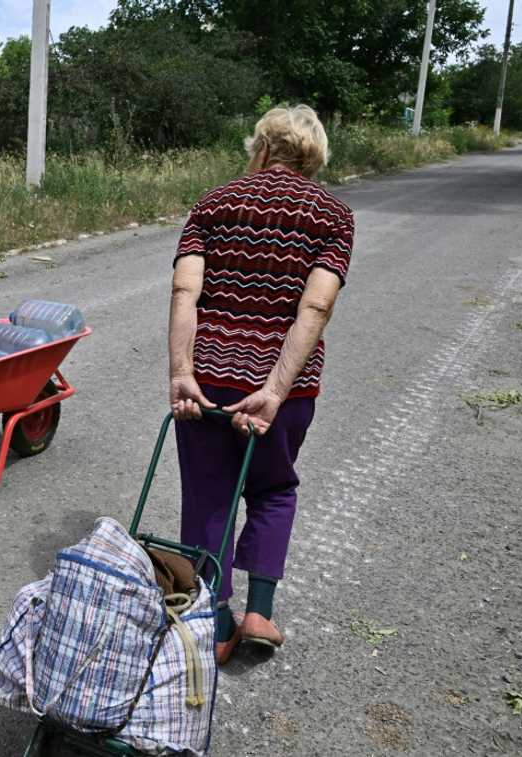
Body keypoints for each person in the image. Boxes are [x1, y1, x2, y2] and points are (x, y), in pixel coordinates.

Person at [167, 105, 355, 662]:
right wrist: (273, 389)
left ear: (261, 148)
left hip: (208, 381)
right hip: (287, 391)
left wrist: (181, 373)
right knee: (274, 489)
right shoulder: (333, 216)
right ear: (314, 155)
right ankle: (260, 614)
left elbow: (185, 294)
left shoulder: (212, 205)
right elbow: (316, 306)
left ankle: (217, 623)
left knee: (207, 493)